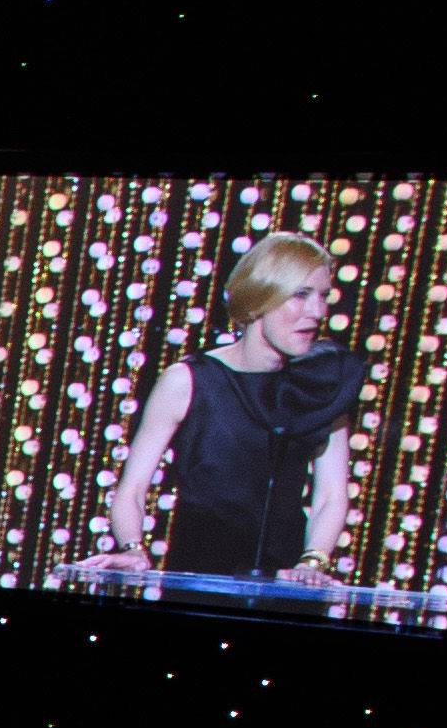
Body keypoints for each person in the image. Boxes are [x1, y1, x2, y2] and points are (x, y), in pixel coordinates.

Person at [91, 225, 365, 582]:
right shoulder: (189, 380)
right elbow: (133, 488)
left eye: (323, 296)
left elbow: (330, 494)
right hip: (197, 579)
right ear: (258, 299)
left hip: (286, 586)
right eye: (300, 294)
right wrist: (132, 549)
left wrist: (311, 564)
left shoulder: (323, 382)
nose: (317, 311)